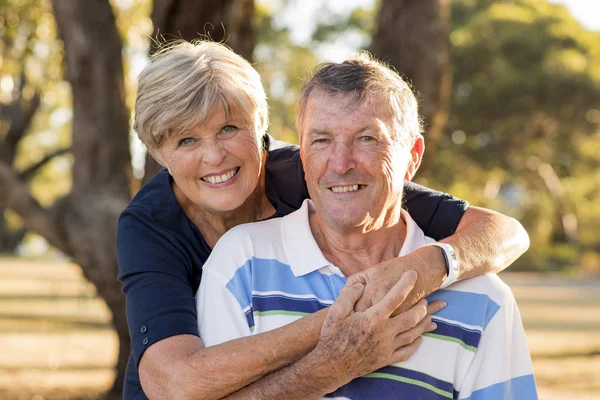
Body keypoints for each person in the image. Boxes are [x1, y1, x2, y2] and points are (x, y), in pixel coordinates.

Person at [116, 40, 530, 399]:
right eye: (186, 140)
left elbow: (502, 231)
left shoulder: (316, 171)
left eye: (228, 129)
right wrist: (347, 335)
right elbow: (173, 384)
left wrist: (418, 268)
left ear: (261, 127)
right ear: (158, 154)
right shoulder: (160, 230)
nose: (214, 156)